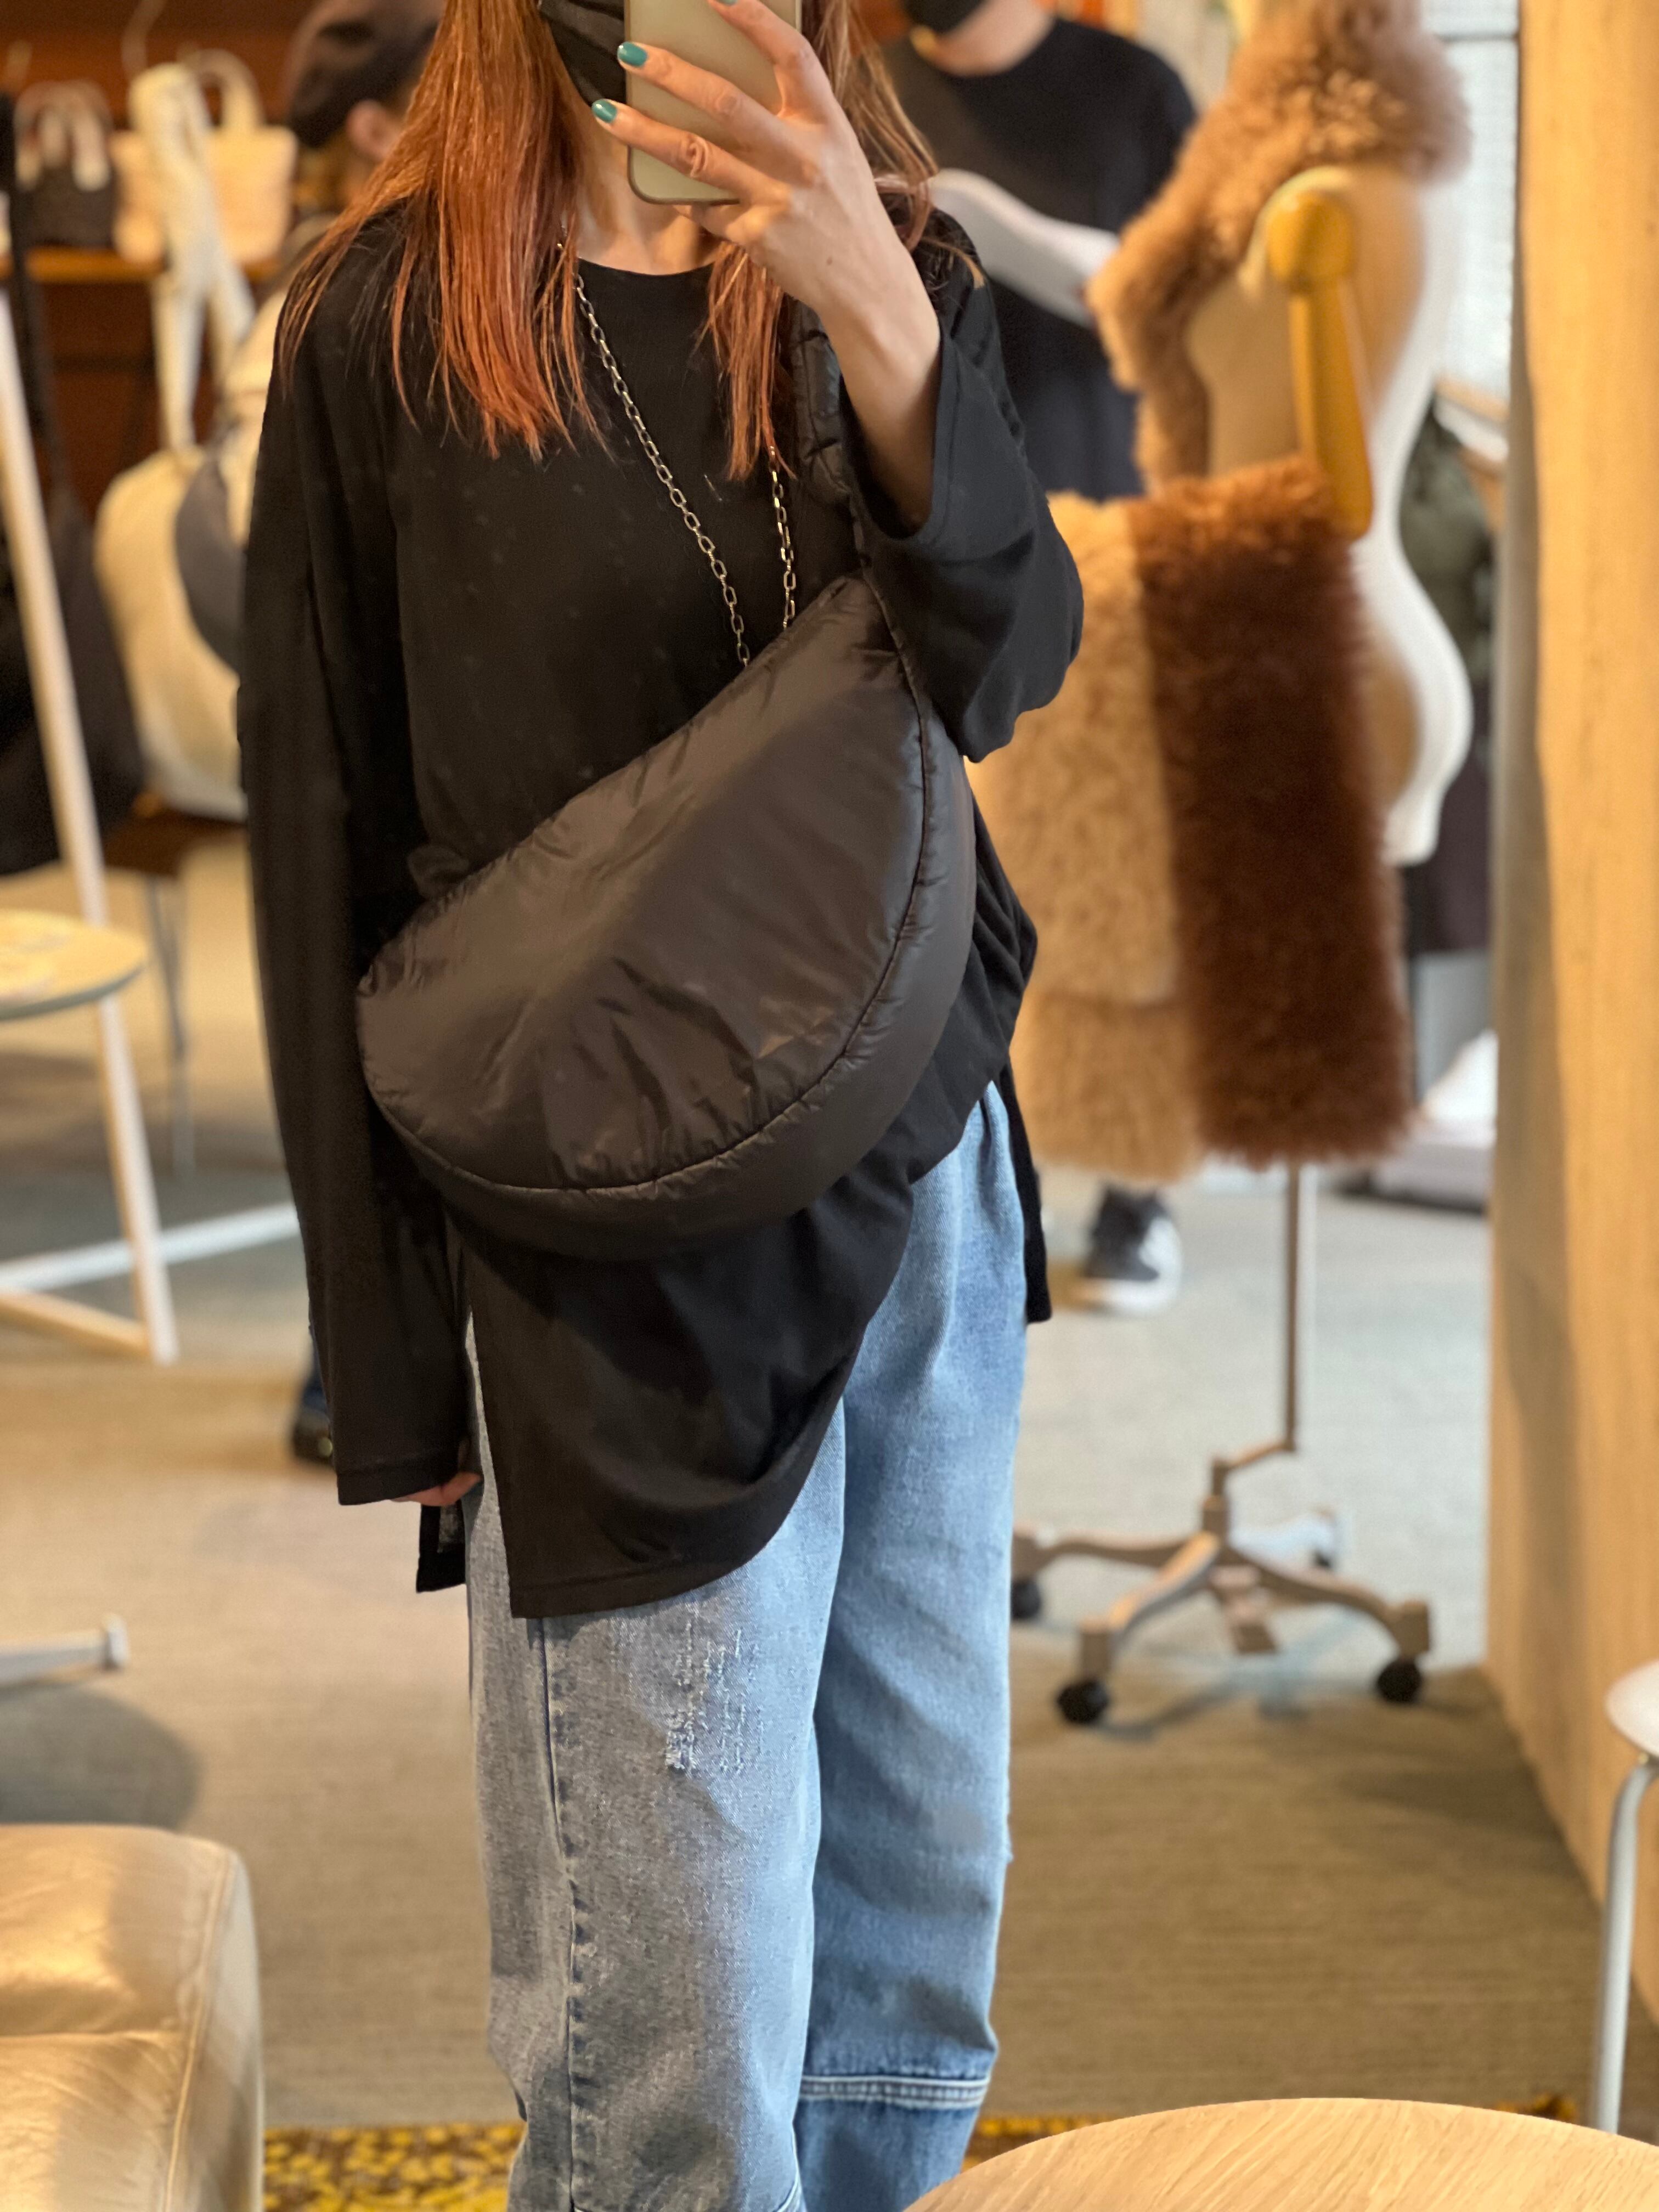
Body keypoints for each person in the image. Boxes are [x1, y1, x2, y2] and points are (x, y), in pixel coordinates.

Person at [238, 0, 1081, 2200]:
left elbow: (1011, 664)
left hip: (919, 1179)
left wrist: (876, 310)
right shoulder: (383, 325)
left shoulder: (887, 261)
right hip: (607, 1250)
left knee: (911, 1957)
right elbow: (322, 834)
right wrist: (391, 1367)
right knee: (675, 2025)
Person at [885, 0, 1195, 1315]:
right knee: (940, 882)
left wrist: (981, 219)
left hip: (1104, 531)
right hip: (929, 542)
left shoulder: (1133, 95)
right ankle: (957, 1188)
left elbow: (1182, 299)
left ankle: (1137, 1187)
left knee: (1113, 887)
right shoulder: (866, 87)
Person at [167, 0, 442, 1464]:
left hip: (420, 705)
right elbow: (252, 559)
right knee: (359, 1019)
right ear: (379, 127)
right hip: (344, 721)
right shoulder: (336, 298)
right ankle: (358, 1353)